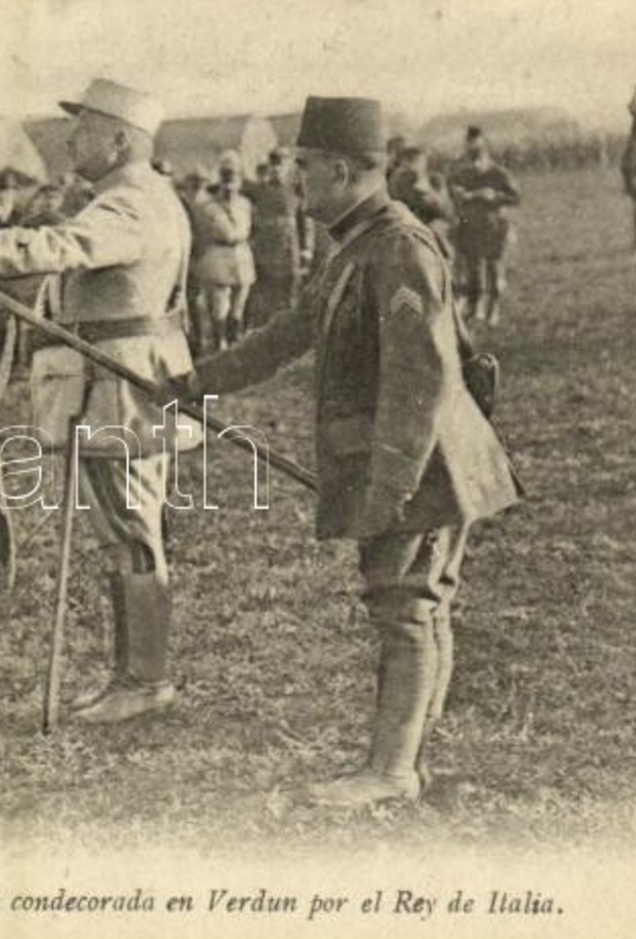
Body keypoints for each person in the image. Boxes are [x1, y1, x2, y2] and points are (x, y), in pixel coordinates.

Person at [184, 96, 520, 807]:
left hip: (422, 460)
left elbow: (419, 380)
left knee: (407, 606)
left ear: (338, 170)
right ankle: (408, 756)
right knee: (422, 606)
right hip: (419, 461)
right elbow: (289, 331)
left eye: (303, 169)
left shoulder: (396, 246)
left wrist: (390, 489)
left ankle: (392, 771)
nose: (293, 180)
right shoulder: (353, 244)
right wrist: (196, 382)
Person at [0, 77, 198, 724]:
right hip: (119, 381)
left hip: (119, 387)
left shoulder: (130, 201)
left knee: (129, 531)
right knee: (128, 531)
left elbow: (59, 247)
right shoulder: (138, 195)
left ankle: (143, 678)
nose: (69, 138)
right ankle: (136, 674)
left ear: (119, 138)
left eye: (82, 127)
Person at [448, 126, 521, 326]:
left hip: (494, 226)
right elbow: (451, 193)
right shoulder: (459, 173)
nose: (475, 157)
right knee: (473, 270)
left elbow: (515, 197)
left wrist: (494, 195)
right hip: (470, 226)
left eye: (479, 150)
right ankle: (477, 306)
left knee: (494, 268)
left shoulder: (498, 173)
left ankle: (493, 309)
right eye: (470, 148)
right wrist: (463, 195)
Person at [191, 150, 256, 351]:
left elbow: (251, 229)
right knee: (219, 309)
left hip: (242, 258)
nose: (230, 183)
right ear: (220, 179)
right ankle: (221, 345)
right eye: (226, 176)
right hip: (217, 257)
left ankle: (235, 343)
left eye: (234, 177)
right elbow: (201, 232)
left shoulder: (245, 204)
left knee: (238, 310)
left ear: (239, 180)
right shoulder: (207, 206)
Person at [247, 149, 309, 331]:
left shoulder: (296, 190)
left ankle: (288, 333)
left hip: (289, 247)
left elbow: (304, 221)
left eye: (280, 164)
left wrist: (307, 248)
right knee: (265, 295)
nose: (276, 169)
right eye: (273, 164)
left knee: (289, 292)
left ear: (286, 166)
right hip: (265, 249)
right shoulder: (259, 190)